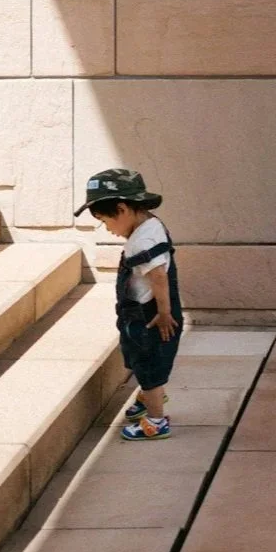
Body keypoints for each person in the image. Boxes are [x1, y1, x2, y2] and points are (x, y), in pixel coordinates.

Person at [75, 168, 183, 441]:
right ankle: (149, 398)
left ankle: (156, 421)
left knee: (149, 365)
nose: (107, 228)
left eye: (105, 221)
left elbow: (158, 277)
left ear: (122, 209)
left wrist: (163, 313)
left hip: (149, 315)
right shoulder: (151, 225)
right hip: (144, 311)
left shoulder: (142, 242)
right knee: (143, 359)